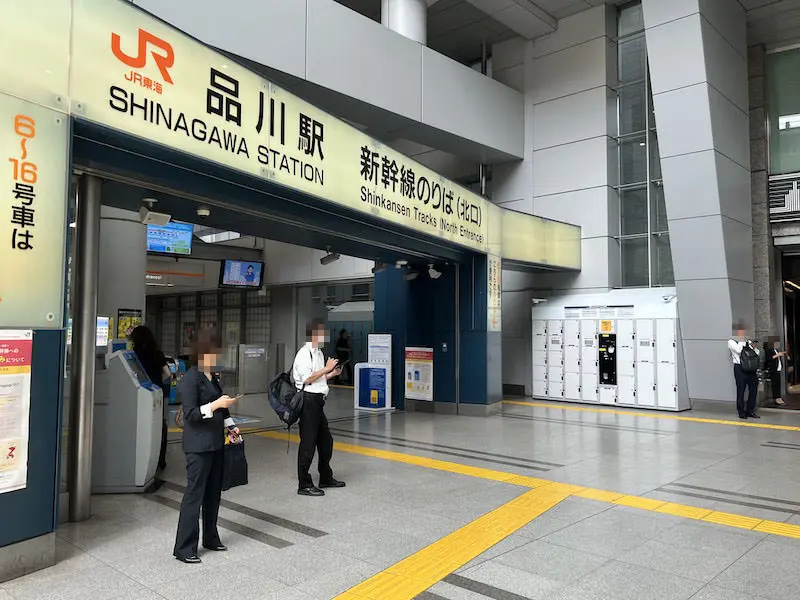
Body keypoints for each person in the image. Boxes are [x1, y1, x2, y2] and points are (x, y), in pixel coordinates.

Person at [173, 328, 240, 564]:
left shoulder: (212, 376)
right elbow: (190, 414)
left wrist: (231, 426)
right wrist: (215, 405)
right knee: (194, 495)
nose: (217, 355)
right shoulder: (191, 378)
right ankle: (184, 547)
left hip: (215, 443)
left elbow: (222, 408)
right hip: (198, 447)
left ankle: (211, 538)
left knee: (213, 494)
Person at [292, 319, 345, 497]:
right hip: (308, 401)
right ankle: (304, 484)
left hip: (318, 401)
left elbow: (318, 378)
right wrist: (326, 369)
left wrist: (332, 373)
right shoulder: (304, 353)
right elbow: (307, 379)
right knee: (308, 443)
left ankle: (325, 477)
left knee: (326, 441)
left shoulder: (319, 353)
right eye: (322, 333)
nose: (324, 337)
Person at [130, 325, 171, 471]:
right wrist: (157, 381)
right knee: (160, 424)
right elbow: (168, 374)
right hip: (157, 392)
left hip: (141, 394)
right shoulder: (157, 353)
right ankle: (161, 459)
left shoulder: (134, 355)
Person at [729, 322, 760, 419]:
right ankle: (741, 412)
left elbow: (756, 353)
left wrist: (752, 345)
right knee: (741, 390)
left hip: (751, 368)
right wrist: (742, 340)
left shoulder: (748, 340)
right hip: (739, 368)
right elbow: (738, 350)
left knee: (753, 390)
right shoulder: (731, 341)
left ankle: (750, 411)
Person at [765, 337, 789, 406]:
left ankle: (779, 398)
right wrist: (778, 354)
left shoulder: (775, 350)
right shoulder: (769, 350)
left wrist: (782, 353)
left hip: (777, 370)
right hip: (773, 370)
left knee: (778, 384)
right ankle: (776, 399)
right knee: (775, 385)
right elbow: (769, 358)